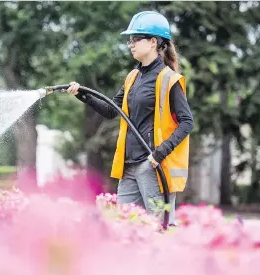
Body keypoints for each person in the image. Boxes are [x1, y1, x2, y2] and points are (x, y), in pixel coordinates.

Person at [66, 11, 194, 225]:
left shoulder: (169, 79)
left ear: (153, 42)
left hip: (152, 166)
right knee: (124, 225)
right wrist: (81, 94)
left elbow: (187, 122)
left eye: (136, 39)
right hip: (129, 166)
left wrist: (159, 153)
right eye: (129, 40)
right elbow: (111, 110)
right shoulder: (133, 77)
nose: (130, 44)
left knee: (158, 228)